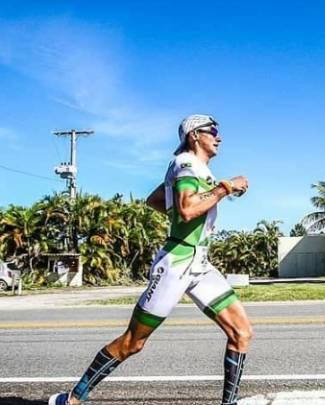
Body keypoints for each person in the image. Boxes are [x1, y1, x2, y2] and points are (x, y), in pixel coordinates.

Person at [49, 114, 253, 405]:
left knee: (241, 332)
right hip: (177, 263)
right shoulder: (185, 164)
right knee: (133, 343)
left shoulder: (195, 169)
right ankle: (71, 399)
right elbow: (185, 210)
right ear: (195, 135)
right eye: (213, 131)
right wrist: (226, 187)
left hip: (200, 264)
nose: (219, 137)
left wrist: (205, 194)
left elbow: (156, 201)